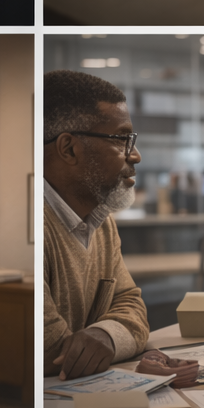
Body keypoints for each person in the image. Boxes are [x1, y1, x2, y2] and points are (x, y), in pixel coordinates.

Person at [43, 70, 151, 379]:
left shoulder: (101, 220)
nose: (136, 155)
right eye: (122, 139)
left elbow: (131, 303)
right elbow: (51, 351)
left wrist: (105, 335)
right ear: (69, 149)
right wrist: (114, 334)